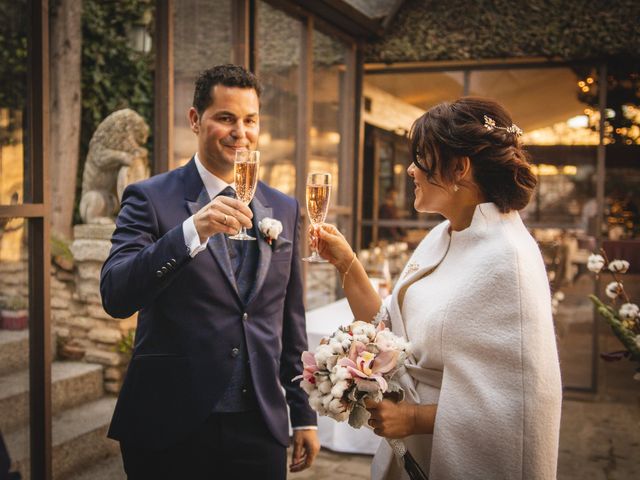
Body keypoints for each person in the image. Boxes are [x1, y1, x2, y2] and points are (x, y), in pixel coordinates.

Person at [312, 97, 562, 479]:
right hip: (418, 455)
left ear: (459, 168)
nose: (411, 169)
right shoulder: (442, 234)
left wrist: (415, 417)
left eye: (421, 157)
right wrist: (346, 262)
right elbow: (389, 333)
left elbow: (520, 406)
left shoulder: (507, 260)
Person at [101, 64, 319, 480]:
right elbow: (116, 294)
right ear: (195, 120)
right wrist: (191, 230)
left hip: (259, 427)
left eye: (250, 120)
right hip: (169, 426)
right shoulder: (149, 198)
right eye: (225, 118)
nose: (241, 132)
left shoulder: (284, 208)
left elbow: (289, 320)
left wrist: (302, 414)